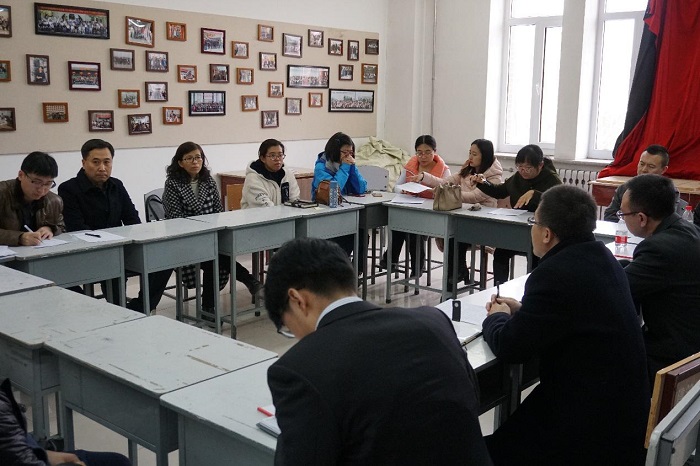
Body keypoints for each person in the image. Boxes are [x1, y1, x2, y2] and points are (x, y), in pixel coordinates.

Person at [264, 237, 492, 465]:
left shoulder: (299, 369)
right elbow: (472, 399)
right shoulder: (434, 321)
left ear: (297, 300)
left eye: (288, 327)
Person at [482, 185, 649, 466]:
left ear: (547, 234)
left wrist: (496, 317)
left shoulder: (553, 274)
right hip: (622, 415)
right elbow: (574, 314)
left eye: (534, 222)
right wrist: (524, 311)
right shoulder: (604, 259)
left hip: (587, 428)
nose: (532, 229)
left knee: (486, 451)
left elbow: (511, 346)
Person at [58, 139, 172, 313]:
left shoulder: (116, 185)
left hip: (121, 249)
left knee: (164, 261)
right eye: (96, 162)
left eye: (107, 162)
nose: (102, 168)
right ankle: (117, 312)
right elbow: (76, 228)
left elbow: (132, 219)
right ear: (84, 162)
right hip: (90, 253)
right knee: (111, 273)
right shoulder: (69, 189)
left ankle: (138, 309)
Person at [163, 142, 262, 320]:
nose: (195, 162)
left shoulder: (208, 181)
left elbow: (218, 212)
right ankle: (248, 281)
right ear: (180, 163)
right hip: (185, 240)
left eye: (198, 157)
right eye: (189, 158)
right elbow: (176, 219)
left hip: (210, 237)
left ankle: (209, 307)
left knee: (215, 255)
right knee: (214, 256)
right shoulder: (172, 184)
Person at [618, 174, 700, 381]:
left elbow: (618, 290)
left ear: (641, 218)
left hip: (675, 356)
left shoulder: (658, 249)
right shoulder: (688, 229)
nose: (622, 218)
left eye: (623, 214)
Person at [473, 144, 561, 284]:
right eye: (519, 167)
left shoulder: (552, 179)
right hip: (518, 229)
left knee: (535, 259)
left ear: (540, 165)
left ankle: (531, 290)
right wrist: (483, 183)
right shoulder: (518, 177)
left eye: (528, 168)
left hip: (542, 232)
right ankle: (499, 289)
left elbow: (560, 203)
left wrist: (536, 195)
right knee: (501, 253)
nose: (523, 171)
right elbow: (500, 191)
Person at [421, 138, 503, 287]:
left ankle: (454, 278)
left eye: (474, 154)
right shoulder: (467, 169)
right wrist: (424, 177)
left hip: (483, 224)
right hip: (463, 219)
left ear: (485, 156)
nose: (470, 157)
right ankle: (457, 275)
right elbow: (445, 182)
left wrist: (448, 193)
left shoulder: (494, 177)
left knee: (455, 234)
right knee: (452, 233)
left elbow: (474, 197)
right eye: (469, 153)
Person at [0, 378, 131, 466]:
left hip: (31, 452)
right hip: (31, 458)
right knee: (118, 462)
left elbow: (15, 448)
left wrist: (45, 454)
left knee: (118, 461)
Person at [379, 135, 450, 278]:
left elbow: (447, 192)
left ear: (435, 152)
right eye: (419, 152)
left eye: (427, 152)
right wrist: (403, 190)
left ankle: (416, 266)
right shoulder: (411, 166)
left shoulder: (443, 170)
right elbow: (396, 187)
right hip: (411, 207)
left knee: (413, 229)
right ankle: (392, 261)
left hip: (432, 213)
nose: (423, 156)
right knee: (398, 224)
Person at [311, 132, 368, 274]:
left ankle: (355, 273)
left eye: (351, 152)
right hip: (325, 214)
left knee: (362, 233)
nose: (348, 155)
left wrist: (352, 168)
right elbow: (333, 192)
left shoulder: (347, 164)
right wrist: (346, 168)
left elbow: (361, 188)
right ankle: (338, 270)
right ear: (335, 151)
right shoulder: (321, 167)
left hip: (345, 211)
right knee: (345, 237)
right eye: (345, 152)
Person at [603, 144, 687, 222]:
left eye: (651, 166)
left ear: (663, 170)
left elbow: (669, 222)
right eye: (642, 164)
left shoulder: (669, 192)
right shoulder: (624, 188)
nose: (644, 170)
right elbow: (609, 216)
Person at [0, 151, 64, 246]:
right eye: (36, 182)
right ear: (21, 175)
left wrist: (49, 229)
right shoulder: (3, 194)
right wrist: (19, 237)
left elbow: (61, 226)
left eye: (48, 184)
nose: (41, 190)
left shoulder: (54, 201)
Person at [241, 139, 300, 208]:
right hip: (259, 214)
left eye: (280, 155)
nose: (277, 159)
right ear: (262, 158)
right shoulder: (253, 178)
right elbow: (264, 207)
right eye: (272, 156)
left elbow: (294, 200)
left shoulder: (288, 174)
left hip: (285, 214)